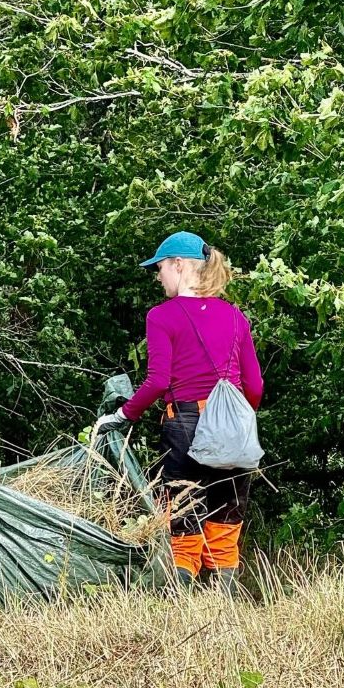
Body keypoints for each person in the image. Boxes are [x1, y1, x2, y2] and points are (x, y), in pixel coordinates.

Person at [97, 231, 263, 590]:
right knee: (225, 520)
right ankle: (224, 605)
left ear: (178, 265)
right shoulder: (236, 317)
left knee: (183, 519)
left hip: (184, 424)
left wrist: (123, 415)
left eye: (160, 268)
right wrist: (233, 421)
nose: (158, 277)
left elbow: (158, 381)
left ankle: (181, 605)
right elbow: (255, 387)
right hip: (233, 428)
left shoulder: (162, 316)